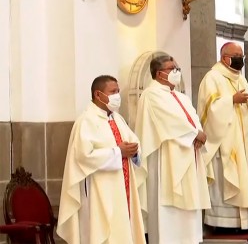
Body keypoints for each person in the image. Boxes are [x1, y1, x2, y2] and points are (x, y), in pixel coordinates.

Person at [57, 75, 146, 244]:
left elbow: (133, 143)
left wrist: (134, 151)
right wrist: (117, 152)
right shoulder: (85, 122)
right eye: (113, 92)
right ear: (98, 95)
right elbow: (83, 157)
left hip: (123, 187)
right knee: (103, 231)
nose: (117, 95)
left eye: (118, 91)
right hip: (99, 190)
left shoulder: (117, 119)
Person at [134, 52, 211, 244]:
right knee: (169, 209)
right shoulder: (151, 95)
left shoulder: (180, 96)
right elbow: (169, 122)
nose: (177, 72)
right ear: (160, 74)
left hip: (188, 154)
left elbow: (192, 117)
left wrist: (199, 132)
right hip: (168, 158)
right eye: (172, 69)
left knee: (189, 207)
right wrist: (195, 134)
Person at [197, 42, 248, 230]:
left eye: (241, 56)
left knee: (244, 177)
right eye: (235, 55)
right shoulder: (212, 77)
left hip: (243, 140)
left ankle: (244, 224)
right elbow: (209, 110)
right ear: (224, 57)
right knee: (227, 179)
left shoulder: (241, 79)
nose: (239, 59)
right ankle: (222, 223)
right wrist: (231, 100)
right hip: (224, 141)